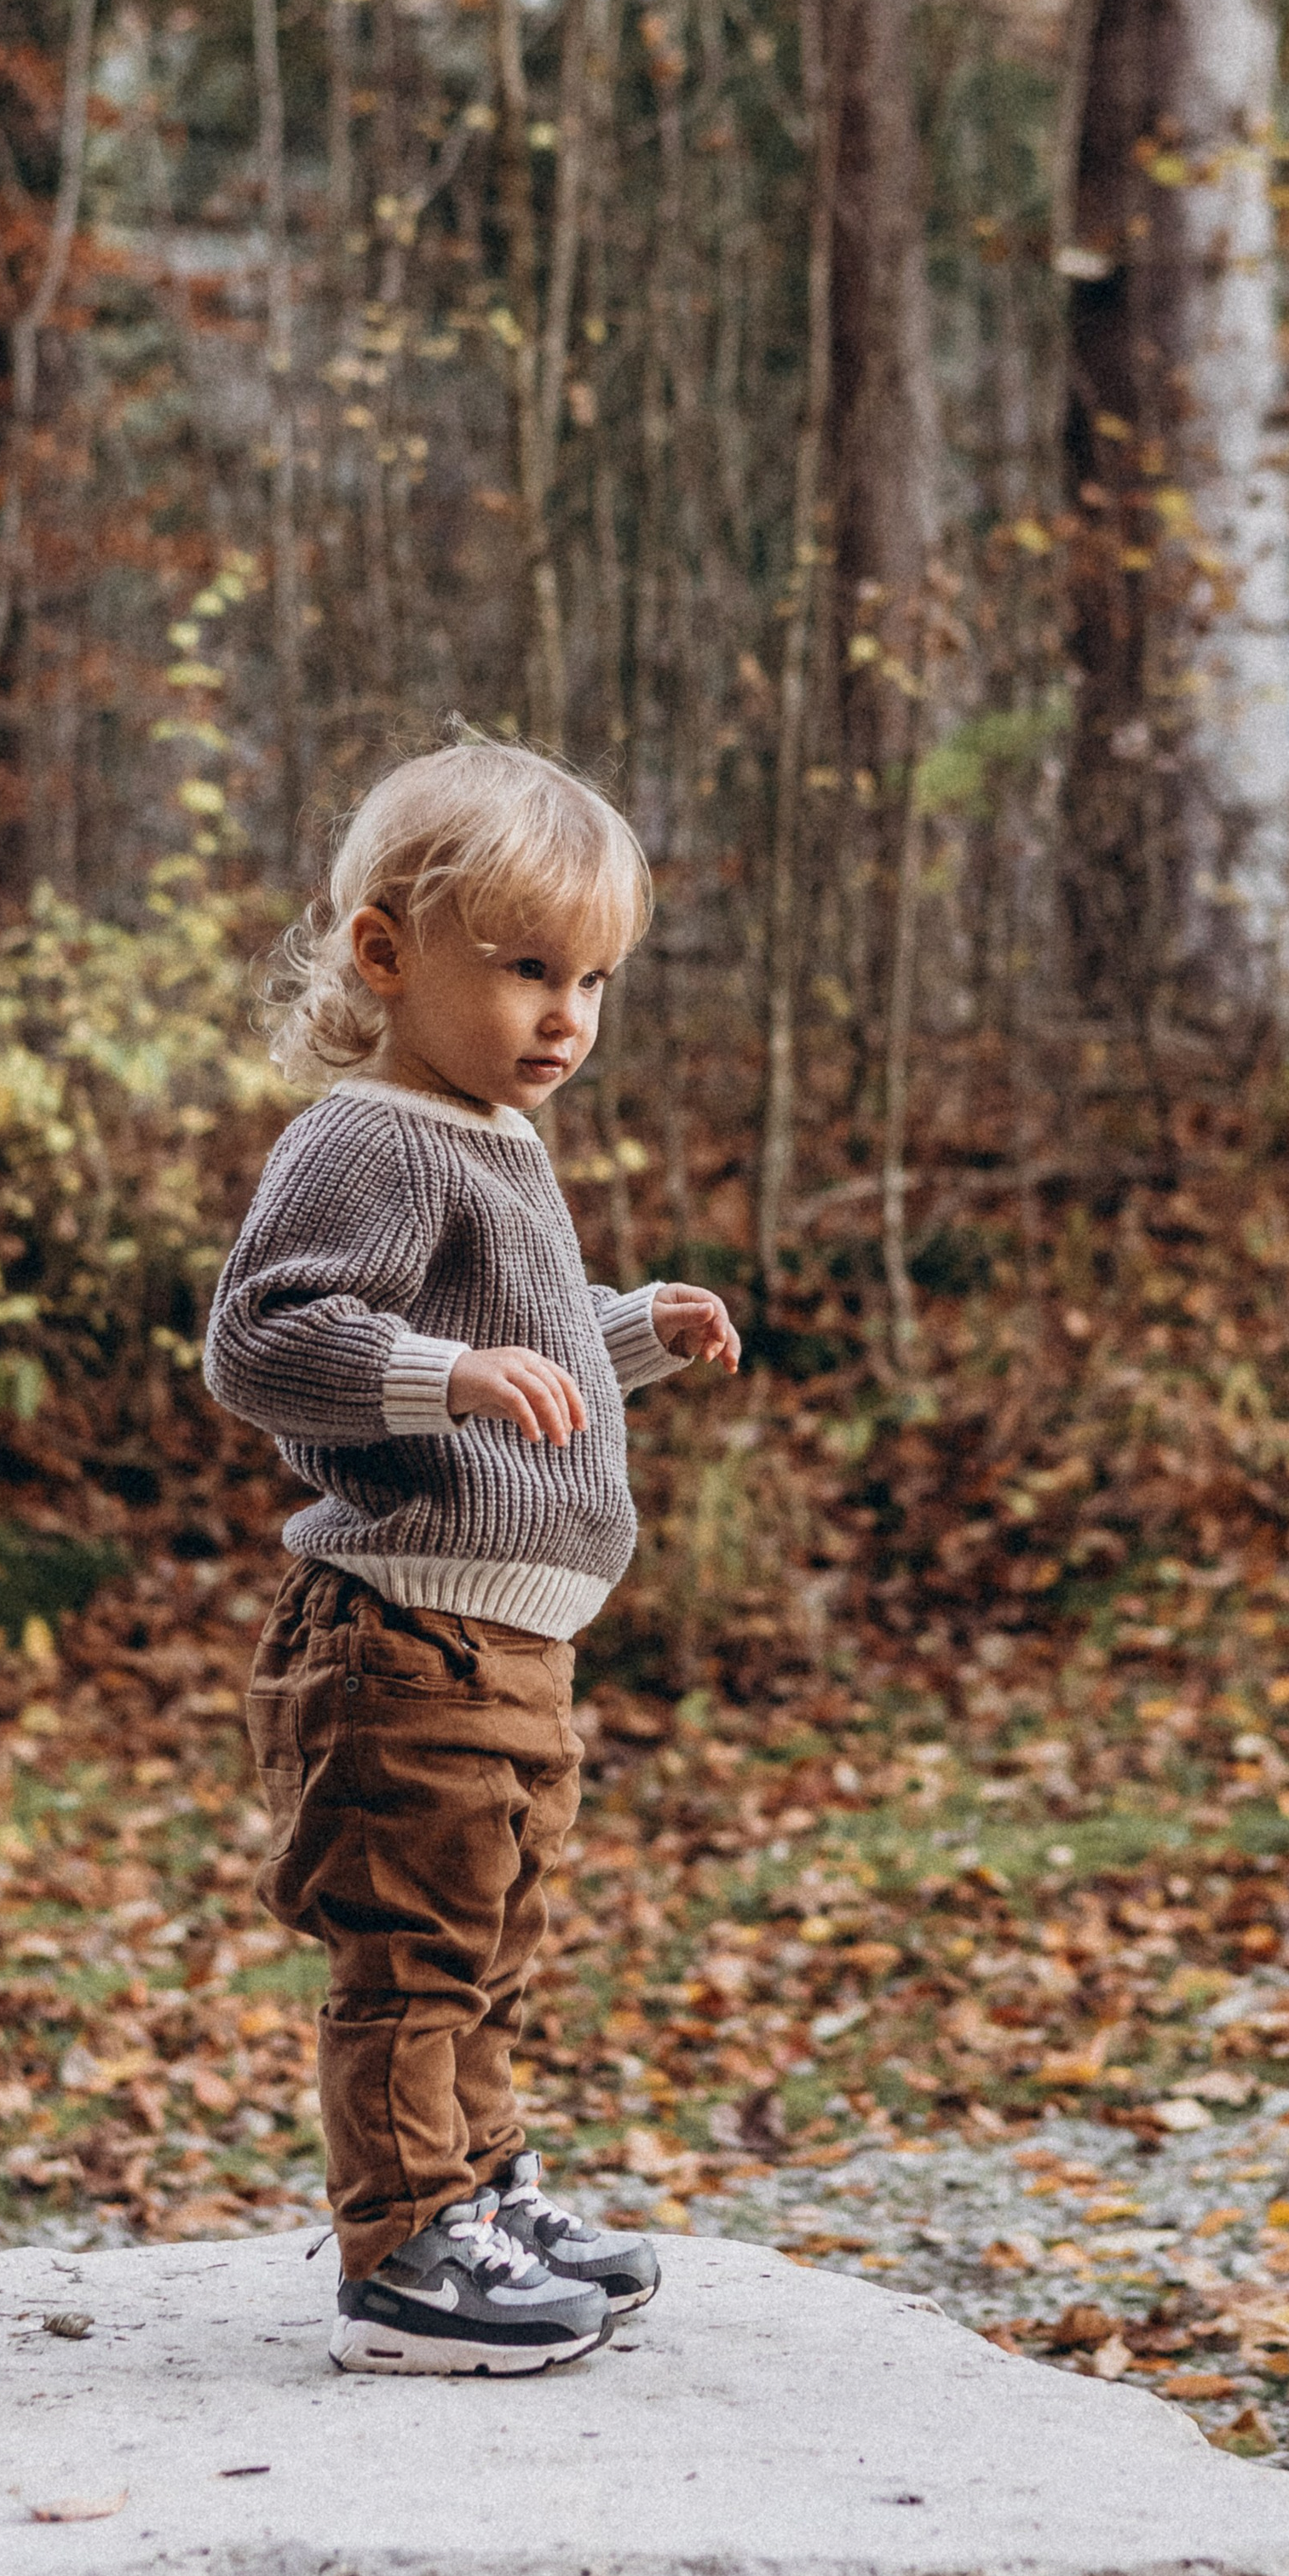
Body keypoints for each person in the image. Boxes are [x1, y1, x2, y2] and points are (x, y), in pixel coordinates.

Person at [204, 739, 740, 2376]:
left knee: (492, 1933)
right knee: (418, 1945)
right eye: (524, 970)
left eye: (591, 978)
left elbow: (527, 1348)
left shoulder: (490, 1136)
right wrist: (441, 1376)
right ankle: (404, 2245)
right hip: (400, 1637)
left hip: (505, 1642)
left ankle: (483, 2189)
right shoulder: (372, 1136)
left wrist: (633, 1334)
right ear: (387, 954)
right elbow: (261, 1341)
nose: (566, 1014)